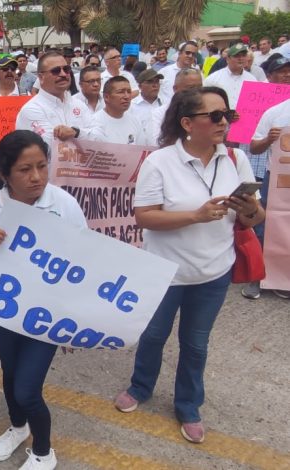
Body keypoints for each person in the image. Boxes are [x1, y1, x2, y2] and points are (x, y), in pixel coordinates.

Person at [113, 87, 264, 444]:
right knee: (153, 335)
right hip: (164, 273)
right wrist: (195, 216)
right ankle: (141, 386)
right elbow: (145, 218)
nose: (223, 122)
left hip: (213, 273)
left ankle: (189, 405)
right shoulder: (159, 161)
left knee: (196, 344)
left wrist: (247, 210)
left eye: (227, 114)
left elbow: (257, 215)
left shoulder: (235, 159)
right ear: (186, 123)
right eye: (214, 116)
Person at [0, 130, 87, 470]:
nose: (36, 177)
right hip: (4, 311)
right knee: (10, 374)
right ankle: (18, 427)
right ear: (4, 174)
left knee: (28, 390)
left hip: (47, 314)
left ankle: (44, 451)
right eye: (25, 170)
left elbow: (86, 261)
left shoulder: (63, 203)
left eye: (42, 167)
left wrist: (73, 319)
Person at [244, 56, 290, 300]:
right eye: (282, 72)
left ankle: (284, 277)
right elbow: (254, 147)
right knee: (267, 227)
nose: (287, 75)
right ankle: (259, 278)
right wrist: (268, 140)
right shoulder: (274, 112)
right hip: (278, 179)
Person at [15, 51, 92, 150]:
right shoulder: (31, 109)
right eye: (56, 71)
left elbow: (99, 139)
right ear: (41, 77)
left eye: (66, 69)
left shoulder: (79, 104)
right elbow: (53, 147)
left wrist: (76, 132)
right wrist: (84, 136)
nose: (63, 74)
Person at [147, 69, 204, 145]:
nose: (197, 92)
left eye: (200, 87)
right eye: (191, 88)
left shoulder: (208, 111)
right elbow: (156, 143)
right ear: (175, 89)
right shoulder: (159, 114)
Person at [87, 76, 148, 145]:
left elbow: (141, 150)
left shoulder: (135, 121)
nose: (126, 96)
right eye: (120, 92)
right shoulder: (94, 123)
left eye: (129, 92)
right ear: (106, 97)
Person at [204, 43, 257, 112]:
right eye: (236, 56)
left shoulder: (252, 79)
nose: (240, 58)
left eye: (243, 55)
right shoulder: (213, 79)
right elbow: (206, 102)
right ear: (227, 59)